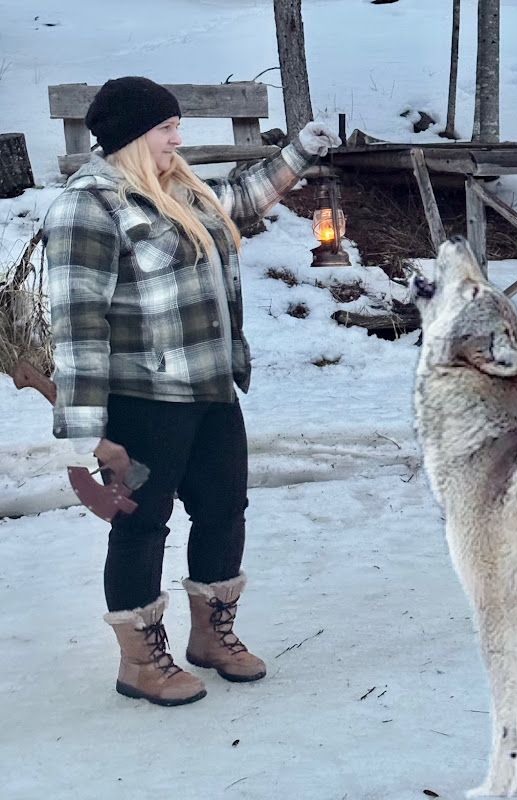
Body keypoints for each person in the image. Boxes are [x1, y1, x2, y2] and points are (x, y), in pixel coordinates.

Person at [43, 76, 341, 706]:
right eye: (166, 129)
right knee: (143, 526)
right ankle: (140, 662)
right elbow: (77, 327)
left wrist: (299, 152)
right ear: (131, 136)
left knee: (224, 510)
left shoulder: (178, 190)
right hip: (141, 401)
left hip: (211, 386)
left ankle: (211, 636)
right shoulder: (88, 208)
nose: (177, 139)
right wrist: (87, 432)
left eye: (177, 126)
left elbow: (242, 199)